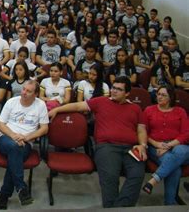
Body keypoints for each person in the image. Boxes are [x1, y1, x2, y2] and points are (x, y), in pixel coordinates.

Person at [48, 76, 148, 208]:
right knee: (110, 178)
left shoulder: (135, 108)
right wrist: (56, 109)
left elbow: (141, 130)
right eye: (113, 88)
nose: (114, 91)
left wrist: (142, 145)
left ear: (127, 93)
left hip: (131, 147)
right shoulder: (101, 101)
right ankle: (113, 207)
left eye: (119, 89)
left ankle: (119, 208)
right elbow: (78, 106)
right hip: (107, 146)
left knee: (137, 175)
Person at [0, 80, 49, 209]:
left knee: (15, 154)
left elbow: (44, 129)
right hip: (6, 139)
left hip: (26, 142)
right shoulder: (11, 102)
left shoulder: (40, 105)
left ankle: (4, 195)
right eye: (23, 89)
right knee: (15, 147)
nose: (24, 93)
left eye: (29, 91)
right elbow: (0, 124)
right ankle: (20, 186)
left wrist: (26, 137)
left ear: (35, 94)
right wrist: (14, 136)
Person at [142, 85, 189, 205]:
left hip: (177, 144)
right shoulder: (149, 110)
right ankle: (170, 203)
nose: (160, 97)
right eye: (158, 94)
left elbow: (186, 133)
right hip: (155, 146)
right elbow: (143, 132)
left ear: (170, 97)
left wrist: (168, 146)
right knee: (175, 168)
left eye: (164, 95)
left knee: (181, 151)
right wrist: (157, 144)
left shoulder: (180, 111)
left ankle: (153, 180)